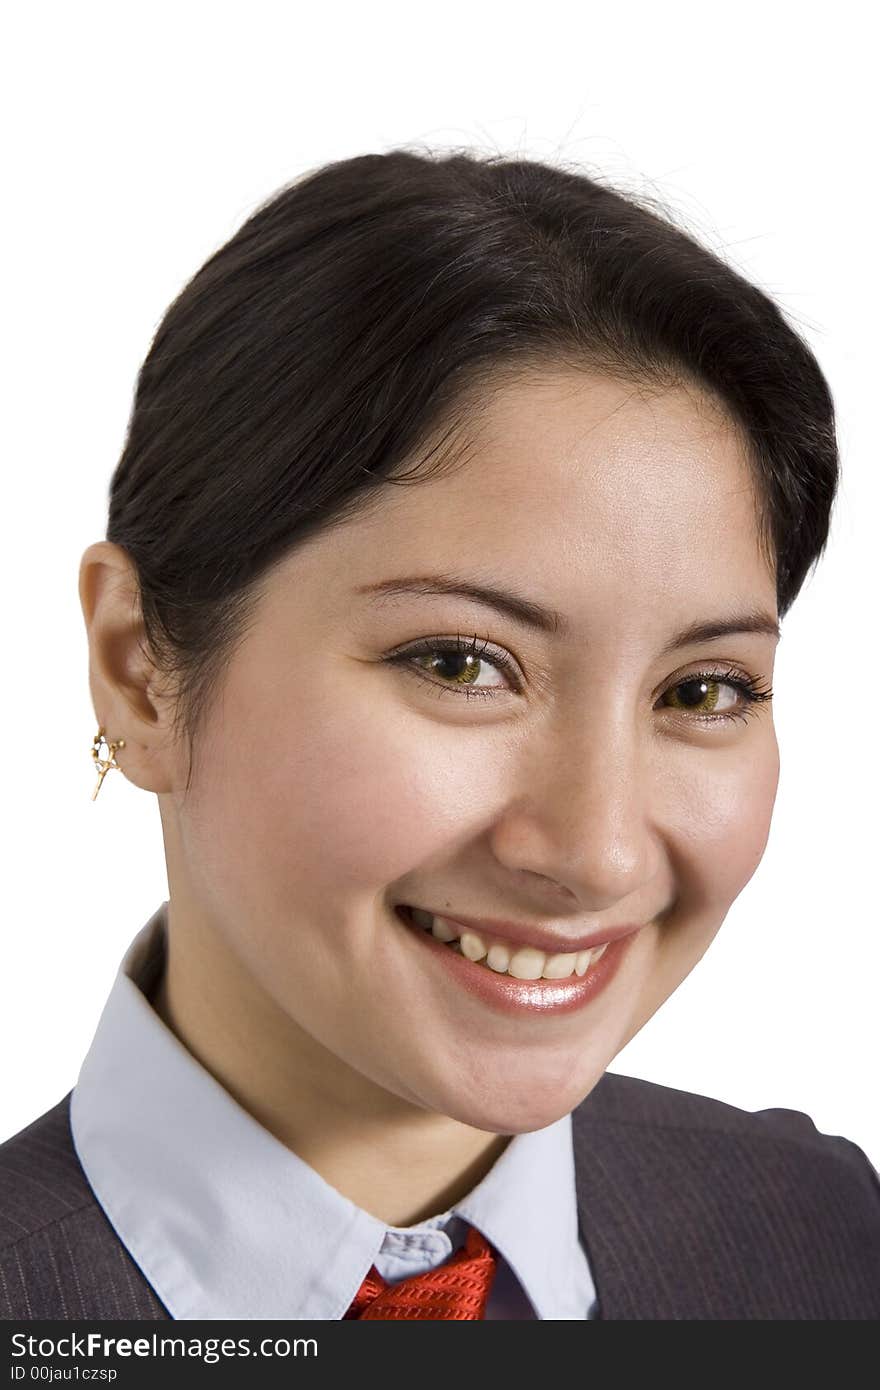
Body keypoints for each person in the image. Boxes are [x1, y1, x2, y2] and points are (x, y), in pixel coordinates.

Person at [1, 147, 878, 1322]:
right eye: (460, 664)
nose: (598, 852)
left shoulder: (820, 1242)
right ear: (138, 672)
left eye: (701, 691)